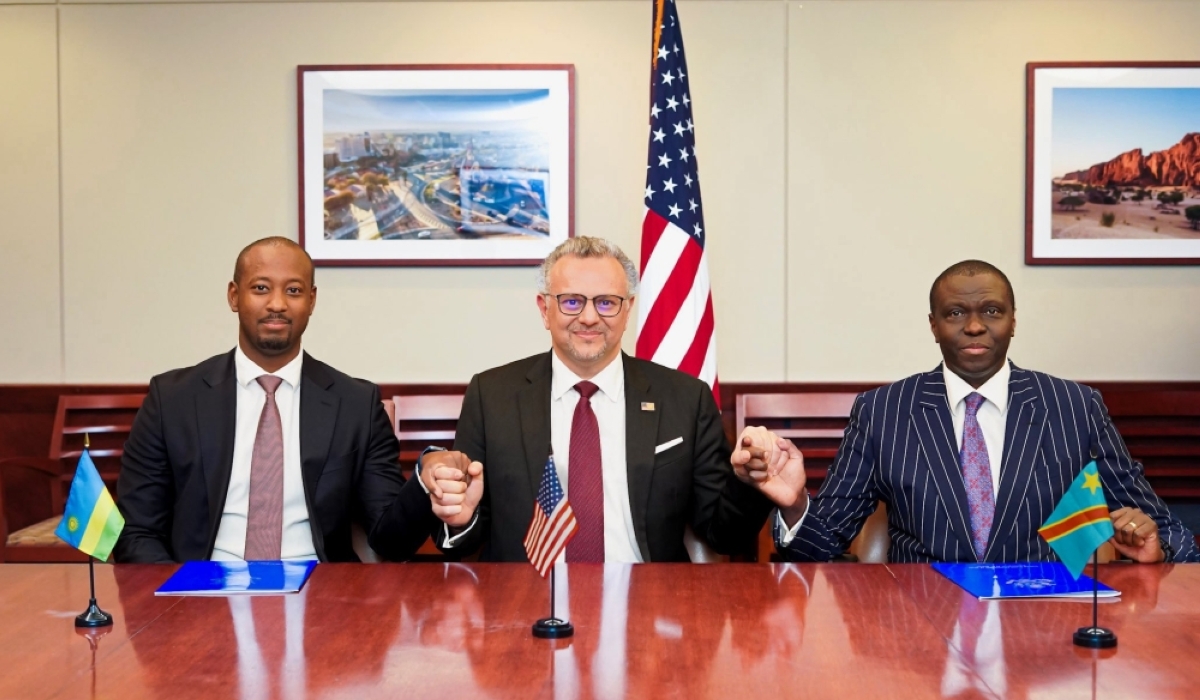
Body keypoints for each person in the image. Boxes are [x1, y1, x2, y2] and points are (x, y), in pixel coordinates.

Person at [741, 260, 1199, 564]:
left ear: (1014, 321)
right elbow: (821, 547)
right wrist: (797, 504)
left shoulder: (1075, 406)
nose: (975, 325)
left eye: (992, 310)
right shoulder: (882, 412)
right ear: (933, 325)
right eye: (956, 312)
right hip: (918, 635)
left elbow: (1159, 525)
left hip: (1044, 636)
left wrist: (1158, 547)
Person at [419, 236, 772, 562]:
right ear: (545, 309)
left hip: (648, 602)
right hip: (524, 600)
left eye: (606, 303)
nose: (589, 317)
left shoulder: (684, 399)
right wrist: (459, 520)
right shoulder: (491, 395)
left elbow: (722, 534)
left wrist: (749, 482)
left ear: (627, 310)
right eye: (571, 301)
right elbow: (463, 533)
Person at [114, 237, 439, 562]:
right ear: (234, 296)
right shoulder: (173, 399)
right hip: (203, 590)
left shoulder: (357, 404)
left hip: (321, 596)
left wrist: (426, 484)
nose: (277, 304)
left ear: (311, 301)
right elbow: (138, 531)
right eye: (260, 288)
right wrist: (181, 601)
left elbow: (391, 540)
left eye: (294, 291)